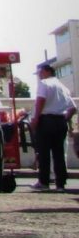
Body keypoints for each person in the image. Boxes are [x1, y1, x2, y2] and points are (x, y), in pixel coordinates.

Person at [31, 62, 76, 192]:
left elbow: (41, 100)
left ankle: (44, 181)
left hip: (46, 121)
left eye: (40, 73)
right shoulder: (62, 87)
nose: (39, 75)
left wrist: (36, 118)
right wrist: (65, 118)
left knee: (44, 152)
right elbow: (73, 108)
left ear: (46, 71)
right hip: (60, 121)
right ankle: (60, 183)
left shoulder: (44, 84)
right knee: (59, 153)